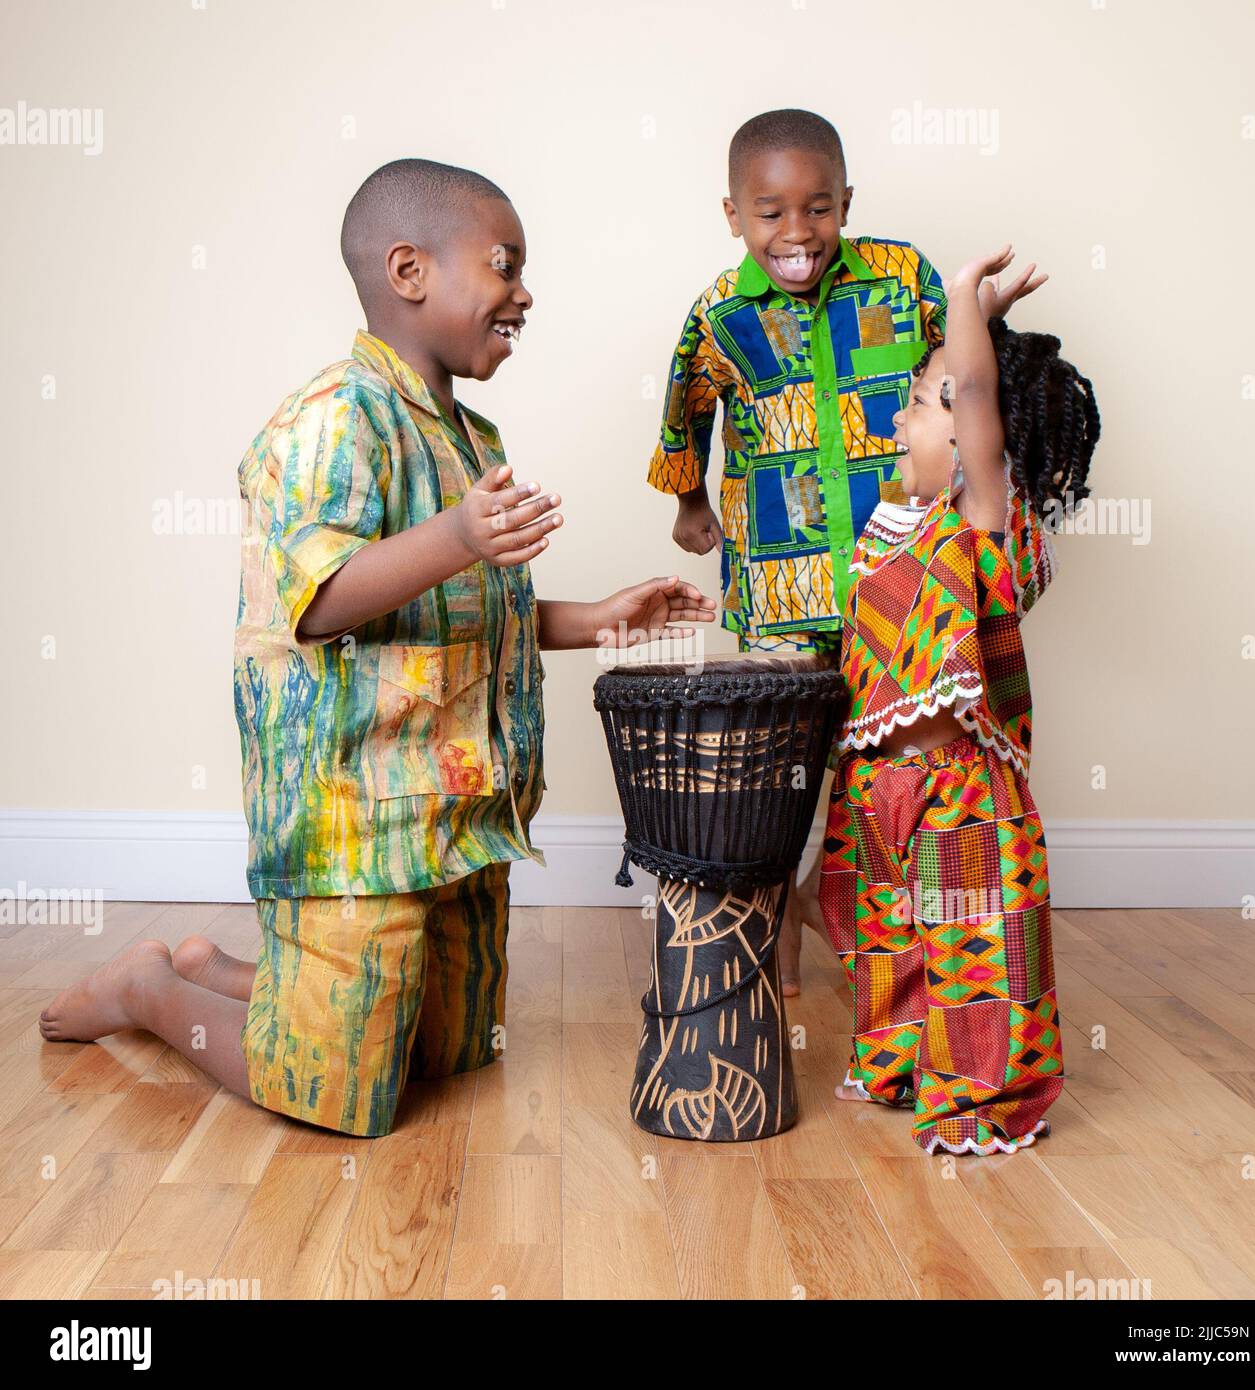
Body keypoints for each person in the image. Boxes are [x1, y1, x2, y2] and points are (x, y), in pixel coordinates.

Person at [39, 159, 716, 1138]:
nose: (524, 292)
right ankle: (154, 990)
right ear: (408, 271)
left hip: (458, 817)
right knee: (348, 1099)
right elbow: (315, 606)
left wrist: (609, 618)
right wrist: (458, 538)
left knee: (453, 1052)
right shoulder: (332, 419)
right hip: (356, 823)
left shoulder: (469, 438)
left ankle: (249, 975)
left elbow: (473, 617)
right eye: (503, 264)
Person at [648, 109, 946, 994]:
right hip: (780, 584)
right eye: (770, 211)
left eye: (818, 208)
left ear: (846, 202)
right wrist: (690, 503)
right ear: (733, 214)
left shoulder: (902, 280)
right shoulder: (720, 313)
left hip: (898, 572)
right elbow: (683, 411)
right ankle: (774, 921)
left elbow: (956, 380)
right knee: (779, 769)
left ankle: (874, 923)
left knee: (887, 756)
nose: (797, 232)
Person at [819, 245, 1100, 1154]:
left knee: (970, 944)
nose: (899, 416)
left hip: (961, 794)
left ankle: (982, 1092)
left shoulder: (986, 518)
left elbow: (975, 395)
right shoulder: (893, 527)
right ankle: (902, 1061)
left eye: (920, 397)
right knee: (892, 943)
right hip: (879, 787)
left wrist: (964, 309)